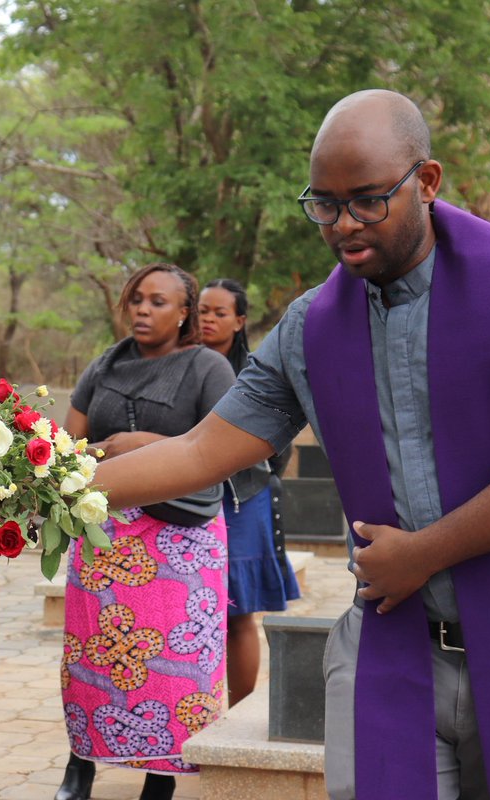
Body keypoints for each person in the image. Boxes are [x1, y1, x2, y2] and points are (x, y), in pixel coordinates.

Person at [92, 89, 490, 800]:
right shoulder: (313, 325)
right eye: (324, 204)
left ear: (426, 182)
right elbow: (197, 450)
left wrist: (422, 554)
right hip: (391, 652)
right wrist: (50, 484)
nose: (343, 225)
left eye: (368, 201)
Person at [55, 263, 235, 800]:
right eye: (137, 299)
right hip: (106, 533)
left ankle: (162, 778)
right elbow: (68, 442)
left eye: (158, 302)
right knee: (91, 656)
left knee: (176, 667)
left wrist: (146, 445)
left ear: (185, 314)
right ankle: (80, 764)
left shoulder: (209, 369)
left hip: (183, 537)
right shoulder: (104, 365)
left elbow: (229, 449)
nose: (141, 309)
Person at [197, 278, 300, 706]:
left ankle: (235, 715)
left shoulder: (256, 372)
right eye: (203, 310)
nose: (208, 319)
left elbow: (279, 448)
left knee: (238, 612)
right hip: (186, 504)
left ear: (239, 321)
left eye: (219, 313)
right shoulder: (181, 364)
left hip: (242, 501)